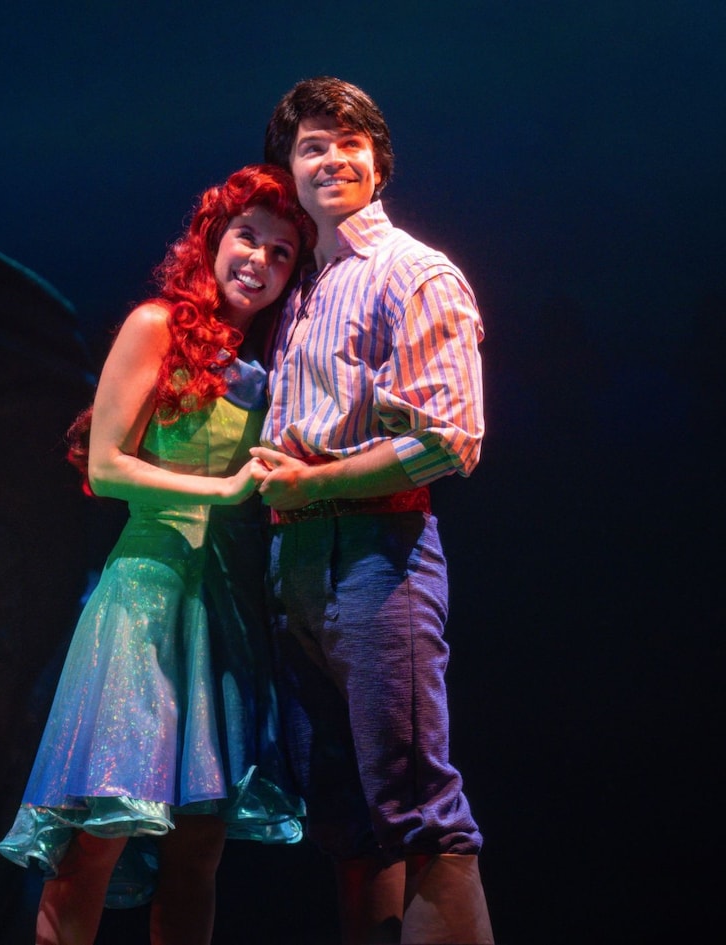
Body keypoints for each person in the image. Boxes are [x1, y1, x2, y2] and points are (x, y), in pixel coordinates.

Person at [0, 164, 316, 945]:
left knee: (198, 853)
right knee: (94, 843)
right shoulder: (155, 326)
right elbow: (107, 466)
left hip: (224, 615)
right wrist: (228, 489)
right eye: (248, 237)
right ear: (212, 237)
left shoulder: (260, 371)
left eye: (281, 253)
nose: (261, 262)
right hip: (143, 603)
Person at [251, 77, 493, 944]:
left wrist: (314, 483)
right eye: (313, 145)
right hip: (299, 565)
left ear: (380, 163)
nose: (334, 158)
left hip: (378, 553)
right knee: (348, 820)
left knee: (418, 808)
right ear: (288, 170)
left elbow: (449, 439)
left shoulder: (413, 272)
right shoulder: (303, 290)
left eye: (351, 142)